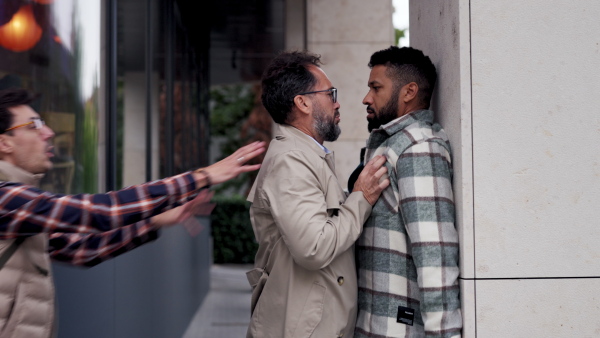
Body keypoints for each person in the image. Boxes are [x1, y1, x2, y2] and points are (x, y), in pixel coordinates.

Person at [0, 88, 265, 338]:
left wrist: (155, 220)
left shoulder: (21, 207)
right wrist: (201, 176)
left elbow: (82, 250)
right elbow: (100, 211)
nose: (47, 132)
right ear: (4, 143)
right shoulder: (7, 199)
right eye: (33, 125)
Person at [245, 50, 390, 338]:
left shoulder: (306, 155)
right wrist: (361, 198)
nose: (337, 103)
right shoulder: (291, 161)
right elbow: (313, 248)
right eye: (330, 93)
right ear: (303, 102)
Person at [352, 46, 462, 337]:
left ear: (409, 91)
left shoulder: (419, 148)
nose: (366, 98)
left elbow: (435, 254)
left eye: (376, 88)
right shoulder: (391, 144)